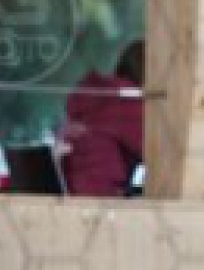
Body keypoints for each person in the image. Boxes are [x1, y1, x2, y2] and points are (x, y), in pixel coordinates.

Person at [60, 39, 146, 197]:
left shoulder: (98, 96)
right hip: (104, 196)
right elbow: (157, 150)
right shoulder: (127, 101)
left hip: (75, 191)